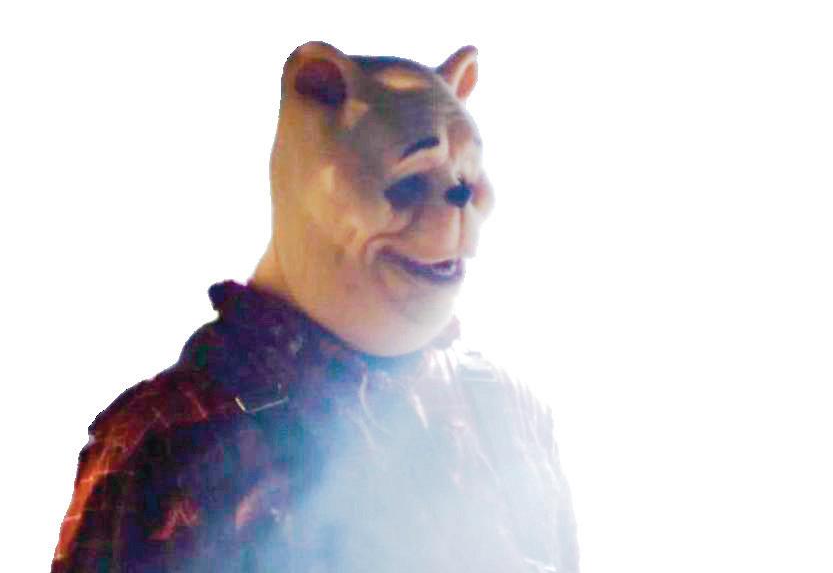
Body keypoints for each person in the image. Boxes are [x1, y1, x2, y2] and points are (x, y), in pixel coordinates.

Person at [51, 41, 580, 572]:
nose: (459, 204)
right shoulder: (172, 443)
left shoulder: (507, 414)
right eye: (410, 181)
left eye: (466, 180)